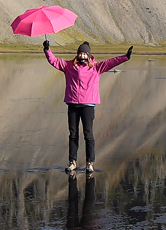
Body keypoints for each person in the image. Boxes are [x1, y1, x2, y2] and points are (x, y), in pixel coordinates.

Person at [42, 38, 133, 174]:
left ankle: (90, 162)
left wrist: (125, 57)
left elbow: (111, 62)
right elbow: (54, 61)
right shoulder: (69, 66)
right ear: (77, 54)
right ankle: (72, 162)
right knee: (73, 134)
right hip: (73, 104)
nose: (82, 55)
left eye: (84, 54)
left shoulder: (96, 67)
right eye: (80, 53)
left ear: (89, 55)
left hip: (88, 105)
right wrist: (47, 50)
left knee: (88, 134)